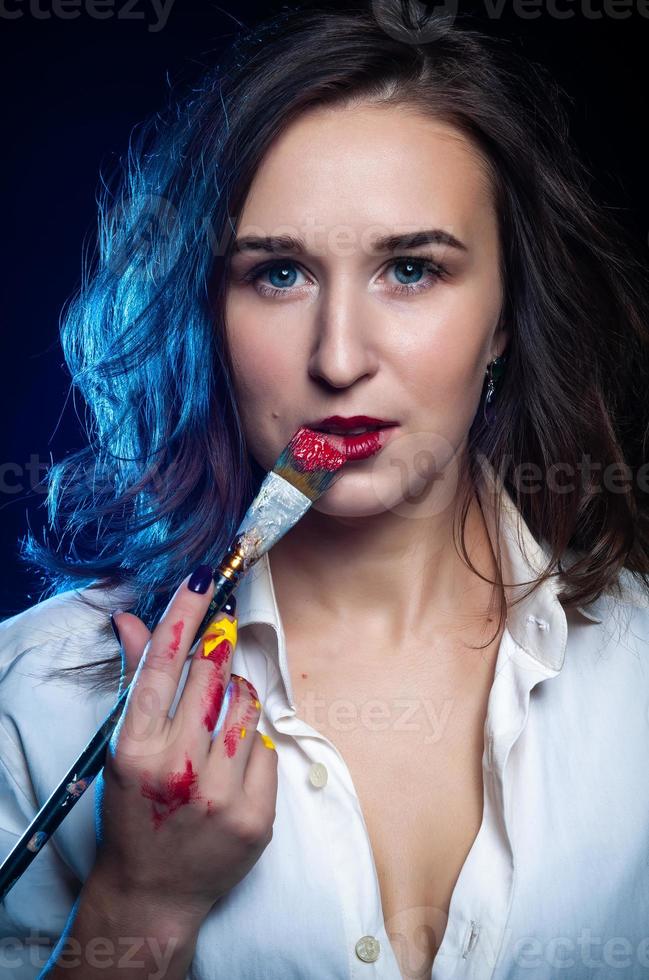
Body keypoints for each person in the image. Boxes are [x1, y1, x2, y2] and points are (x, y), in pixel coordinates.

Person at [1, 4, 649, 979]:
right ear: (207, 311)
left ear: (505, 315)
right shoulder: (38, 699)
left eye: (410, 268)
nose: (339, 357)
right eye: (280, 272)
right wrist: (140, 903)